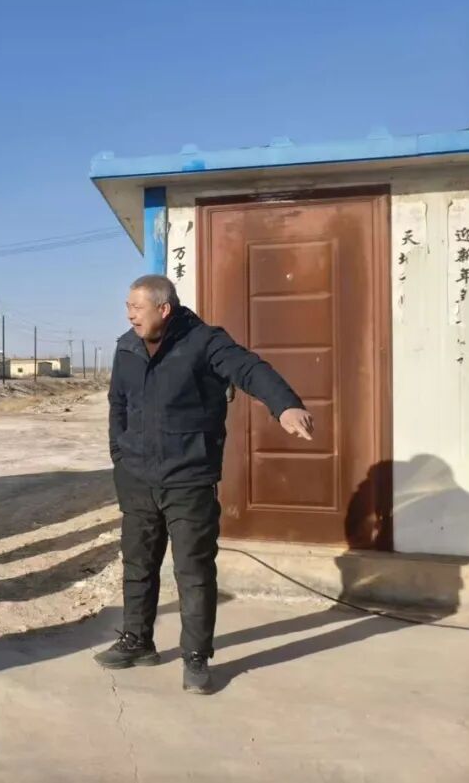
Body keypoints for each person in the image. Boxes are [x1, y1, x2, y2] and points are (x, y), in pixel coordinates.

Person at [95, 275, 313, 694]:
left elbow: (249, 369)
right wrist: (119, 455)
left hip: (189, 479)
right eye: (127, 306)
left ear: (164, 309)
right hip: (137, 478)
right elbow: (117, 404)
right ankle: (137, 640)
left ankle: (195, 656)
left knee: (193, 571)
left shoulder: (204, 341)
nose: (129, 315)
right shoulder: (126, 347)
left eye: (137, 307)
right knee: (138, 565)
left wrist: (284, 405)